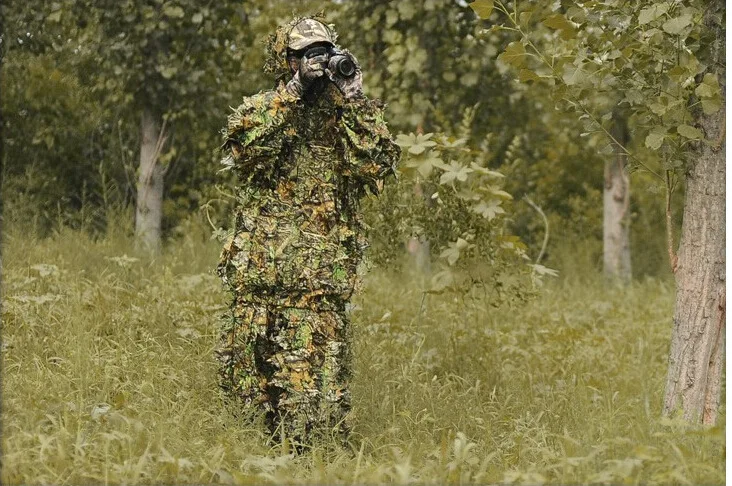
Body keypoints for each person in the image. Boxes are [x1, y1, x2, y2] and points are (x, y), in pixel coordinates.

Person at [216, 16, 400, 446]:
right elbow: (245, 150)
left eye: (324, 53)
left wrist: (354, 98)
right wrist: (295, 93)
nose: (318, 64)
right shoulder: (266, 108)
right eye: (307, 56)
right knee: (246, 404)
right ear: (289, 61)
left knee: (314, 407)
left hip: (317, 290)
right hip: (258, 286)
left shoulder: (347, 120)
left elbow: (379, 163)